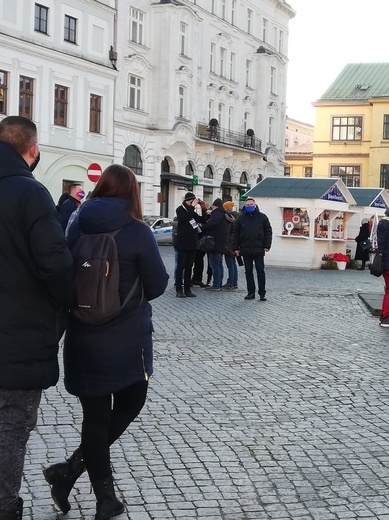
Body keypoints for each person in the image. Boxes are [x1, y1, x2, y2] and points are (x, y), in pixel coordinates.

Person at [43, 164, 168, 519]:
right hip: (128, 339)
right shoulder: (138, 230)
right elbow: (157, 285)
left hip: (83, 337)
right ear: (131, 193)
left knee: (94, 419)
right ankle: (75, 479)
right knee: (132, 402)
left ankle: (93, 490)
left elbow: (63, 273)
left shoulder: (77, 223)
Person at [0, 116, 74, 520]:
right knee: (11, 428)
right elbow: (57, 266)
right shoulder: (30, 193)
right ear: (32, 150)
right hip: (18, 339)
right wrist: (63, 305)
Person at [231, 197, 272, 301]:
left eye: (251, 204)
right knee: (248, 271)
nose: (249, 206)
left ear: (255, 205)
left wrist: (267, 245)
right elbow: (235, 233)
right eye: (247, 205)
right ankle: (251, 292)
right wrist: (235, 247)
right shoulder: (241, 218)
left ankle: (262, 293)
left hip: (259, 248)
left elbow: (268, 231)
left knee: (260, 271)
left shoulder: (262, 217)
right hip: (245, 249)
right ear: (245, 206)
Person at [174, 192, 203, 297]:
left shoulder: (192, 211)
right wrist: (193, 207)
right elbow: (185, 218)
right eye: (192, 201)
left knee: (189, 267)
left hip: (192, 243)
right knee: (181, 266)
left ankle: (187, 289)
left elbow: (200, 219)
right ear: (187, 201)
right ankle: (179, 289)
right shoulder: (180, 210)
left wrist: (203, 209)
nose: (193, 203)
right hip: (183, 243)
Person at [201, 198, 230, 292]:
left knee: (215, 264)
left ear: (214, 206)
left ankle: (216, 285)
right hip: (222, 243)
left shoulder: (216, 214)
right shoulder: (224, 214)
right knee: (219, 264)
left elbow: (209, 225)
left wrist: (202, 226)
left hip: (214, 243)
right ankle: (219, 284)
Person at [191, 200, 212, 288]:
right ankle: (196, 279)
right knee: (197, 260)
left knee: (199, 260)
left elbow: (202, 220)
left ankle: (197, 279)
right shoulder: (188, 213)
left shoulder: (207, 217)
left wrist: (204, 210)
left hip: (203, 241)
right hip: (199, 240)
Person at [222, 203, 238, 290]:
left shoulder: (228, 219)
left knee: (230, 264)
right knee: (233, 264)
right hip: (234, 244)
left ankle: (231, 282)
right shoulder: (236, 218)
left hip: (229, 244)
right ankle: (234, 282)